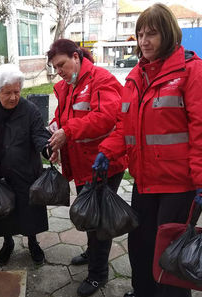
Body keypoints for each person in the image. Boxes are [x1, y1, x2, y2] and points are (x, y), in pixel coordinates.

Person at [94, 4, 202, 297]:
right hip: (145, 181)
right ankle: (143, 292)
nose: (144, 41)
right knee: (140, 245)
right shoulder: (136, 77)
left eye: (151, 34)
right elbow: (124, 127)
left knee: (172, 253)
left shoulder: (194, 73)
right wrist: (107, 152)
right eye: (140, 35)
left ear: (168, 34)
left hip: (178, 186)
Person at [46, 39, 127, 297]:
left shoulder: (100, 79)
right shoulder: (71, 85)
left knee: (99, 220)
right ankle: (93, 254)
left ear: (76, 56)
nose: (59, 71)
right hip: (82, 164)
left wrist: (66, 132)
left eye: (61, 64)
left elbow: (105, 117)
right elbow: (64, 115)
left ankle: (98, 274)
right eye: (55, 67)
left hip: (104, 164)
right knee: (89, 215)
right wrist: (54, 129)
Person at [0, 63, 52, 267]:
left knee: (29, 212)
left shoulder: (30, 110)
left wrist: (47, 150)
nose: (13, 97)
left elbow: (39, 135)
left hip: (25, 171)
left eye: (17, 91)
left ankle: (33, 242)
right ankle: (8, 242)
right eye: (7, 93)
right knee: (2, 212)